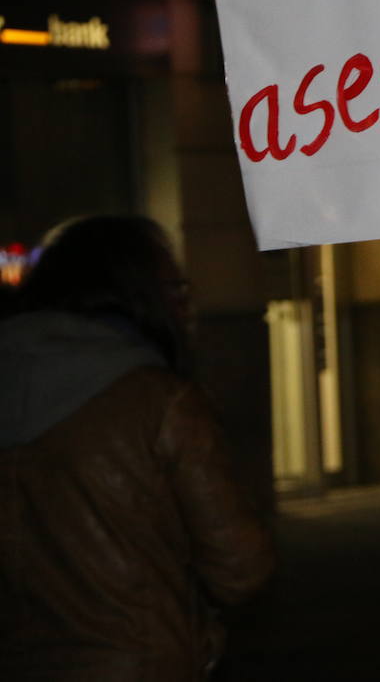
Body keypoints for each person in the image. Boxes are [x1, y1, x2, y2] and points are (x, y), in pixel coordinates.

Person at [0, 215, 275, 681]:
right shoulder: (160, 402)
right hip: (139, 663)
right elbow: (241, 568)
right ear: (137, 294)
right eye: (176, 290)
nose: (187, 308)